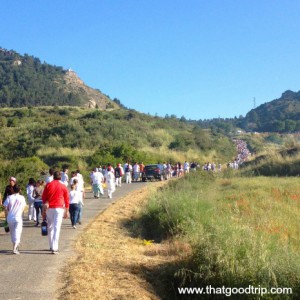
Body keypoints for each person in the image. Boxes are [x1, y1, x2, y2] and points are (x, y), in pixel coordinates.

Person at [42, 171, 69, 254]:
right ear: (60, 177)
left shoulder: (48, 185)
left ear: (53, 176)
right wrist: (66, 211)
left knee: (50, 227)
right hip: (59, 208)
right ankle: (55, 247)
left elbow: (43, 197)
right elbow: (67, 200)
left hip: (50, 208)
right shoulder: (63, 186)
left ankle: (51, 245)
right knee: (57, 227)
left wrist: (44, 209)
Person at [3, 185, 26, 255]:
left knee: (12, 233)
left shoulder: (9, 197)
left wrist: (6, 217)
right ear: (19, 190)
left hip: (10, 217)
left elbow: (5, 208)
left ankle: (14, 246)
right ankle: (15, 248)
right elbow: (23, 208)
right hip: (18, 217)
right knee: (17, 232)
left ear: (12, 190)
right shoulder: (22, 198)